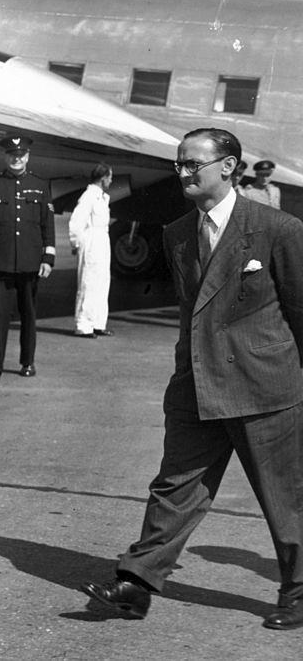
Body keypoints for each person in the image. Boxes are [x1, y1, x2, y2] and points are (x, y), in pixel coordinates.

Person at [81, 128, 303, 632]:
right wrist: (184, 372)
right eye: (178, 163)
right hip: (198, 384)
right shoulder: (177, 232)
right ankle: (137, 582)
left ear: (228, 167)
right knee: (175, 487)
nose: (182, 173)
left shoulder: (278, 229)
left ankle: (299, 590)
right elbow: (190, 312)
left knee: (286, 497)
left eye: (192, 165)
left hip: (265, 387)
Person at [0, 135, 56, 382]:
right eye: (12, 155)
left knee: (29, 316)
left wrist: (48, 258)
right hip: (0, 264)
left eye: (20, 155)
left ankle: (27, 362)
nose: (16, 159)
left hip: (30, 263)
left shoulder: (40, 185)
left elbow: (47, 225)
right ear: (5, 156)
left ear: (27, 157)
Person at [69, 164, 113, 338]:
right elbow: (76, 222)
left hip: (103, 241)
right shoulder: (88, 197)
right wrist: (76, 244)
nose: (111, 181)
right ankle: (83, 325)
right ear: (103, 178)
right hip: (91, 241)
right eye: (110, 177)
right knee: (88, 283)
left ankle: (98, 323)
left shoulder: (102, 197)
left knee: (102, 283)